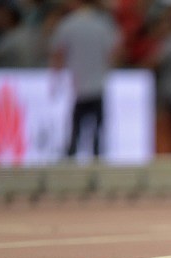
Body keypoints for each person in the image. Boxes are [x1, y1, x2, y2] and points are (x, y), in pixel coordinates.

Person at [50, 0, 119, 160]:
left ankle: (72, 158)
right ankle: (97, 159)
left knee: (76, 128)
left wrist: (56, 80)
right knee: (97, 130)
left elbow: (58, 53)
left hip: (79, 86)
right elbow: (112, 54)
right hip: (98, 84)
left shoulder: (67, 24)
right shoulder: (103, 24)